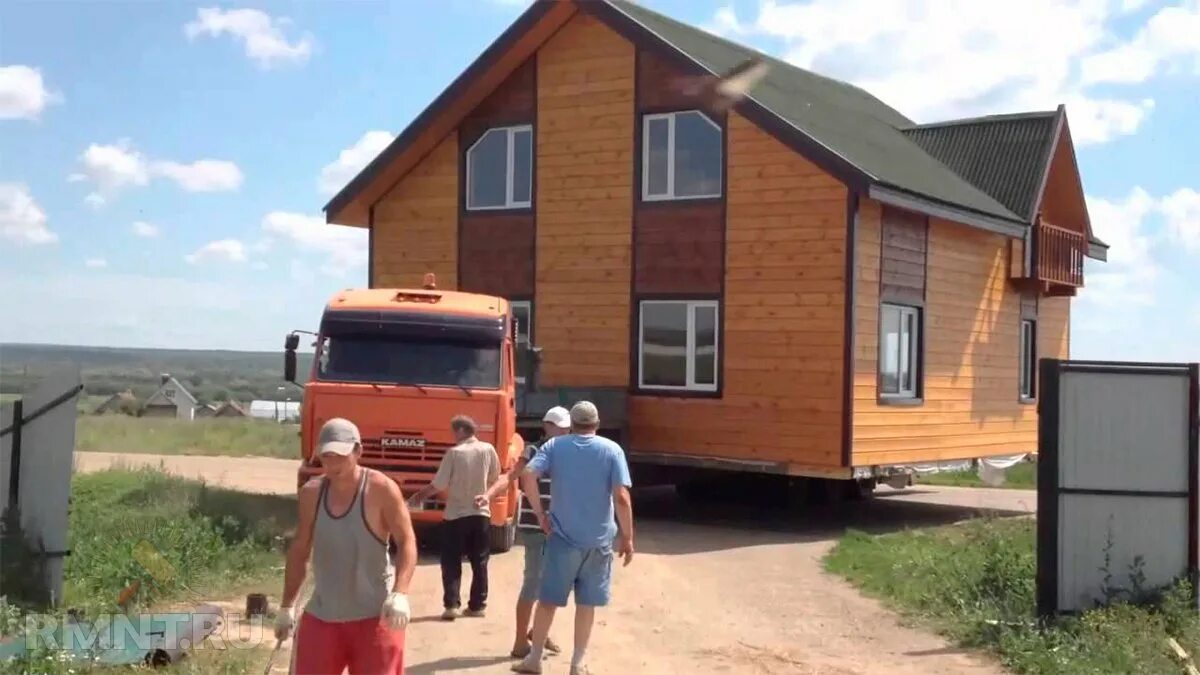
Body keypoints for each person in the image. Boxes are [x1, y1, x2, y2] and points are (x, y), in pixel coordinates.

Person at [274, 417, 417, 675]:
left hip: (375, 617)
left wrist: (401, 592)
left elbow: (406, 540)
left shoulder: (381, 489)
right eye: (326, 457)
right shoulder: (311, 493)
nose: (332, 464)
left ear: (358, 451)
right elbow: (300, 550)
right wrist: (287, 606)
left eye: (340, 455)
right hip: (323, 615)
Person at [512, 401, 635, 675]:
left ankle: (534, 660)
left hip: (562, 537)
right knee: (587, 604)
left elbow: (528, 474)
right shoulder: (612, 450)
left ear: (573, 424)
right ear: (597, 424)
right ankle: (578, 664)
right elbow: (622, 498)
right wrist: (627, 537)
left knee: (548, 601)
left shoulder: (555, 447)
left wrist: (540, 513)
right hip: (599, 540)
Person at [477, 406, 570, 659]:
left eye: (565, 428)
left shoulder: (570, 452)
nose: (562, 432)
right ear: (546, 426)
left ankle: (539, 632)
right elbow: (511, 476)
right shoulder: (533, 450)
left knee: (553, 585)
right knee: (532, 584)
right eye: (557, 427)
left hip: (561, 529)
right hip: (536, 528)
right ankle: (520, 642)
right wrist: (488, 495)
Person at [407, 414, 501, 620]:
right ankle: (477, 606)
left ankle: (451, 605)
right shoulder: (488, 450)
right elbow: (495, 478)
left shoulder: (454, 453)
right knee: (480, 561)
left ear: (459, 430)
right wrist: (485, 495)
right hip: (480, 514)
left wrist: (418, 496)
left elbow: (439, 485)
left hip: (455, 515)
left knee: (451, 561)